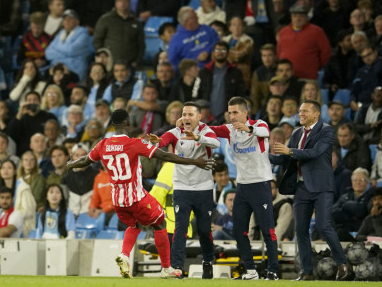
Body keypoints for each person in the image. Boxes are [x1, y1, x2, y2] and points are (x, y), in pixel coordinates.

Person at [63, 108, 215, 278]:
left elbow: (85, 160)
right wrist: (195, 161)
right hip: (136, 197)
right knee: (160, 223)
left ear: (112, 125)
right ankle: (166, 268)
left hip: (118, 201)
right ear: (128, 123)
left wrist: (70, 164)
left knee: (134, 225)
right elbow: (165, 156)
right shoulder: (134, 143)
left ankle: (124, 255)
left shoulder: (102, 145)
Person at [270, 100, 353, 281]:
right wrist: (262, 157)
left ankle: (343, 264)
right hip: (301, 188)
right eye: (300, 111)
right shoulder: (296, 132)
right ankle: (306, 272)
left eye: (305, 111)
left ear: (316, 114)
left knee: (324, 226)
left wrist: (289, 151)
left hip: (321, 187)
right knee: (300, 230)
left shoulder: (327, 130)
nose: (301, 114)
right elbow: (285, 159)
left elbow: (314, 153)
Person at [145, 101, 219, 279]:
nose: (186, 117)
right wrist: (158, 142)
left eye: (190, 115)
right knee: (180, 228)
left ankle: (208, 261)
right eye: (184, 114)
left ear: (199, 117)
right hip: (182, 186)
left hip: (203, 188)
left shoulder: (206, 131)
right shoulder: (176, 132)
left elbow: (215, 143)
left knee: (203, 229)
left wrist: (197, 138)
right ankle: (176, 267)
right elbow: (164, 140)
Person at [210, 97, 279, 280]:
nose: (231, 116)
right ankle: (250, 271)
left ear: (245, 113)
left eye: (235, 112)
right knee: (239, 230)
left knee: (267, 230)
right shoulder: (229, 130)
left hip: (261, 185)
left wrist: (248, 129)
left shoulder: (259, 124)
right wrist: (191, 123)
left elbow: (265, 132)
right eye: (229, 113)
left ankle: (273, 271)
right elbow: (210, 129)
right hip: (242, 187)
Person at [0, 159, 36, 237]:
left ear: (15, 171)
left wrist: (10, 217)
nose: (6, 170)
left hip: (21, 226)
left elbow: (28, 211)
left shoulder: (23, 188)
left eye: (9, 168)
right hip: (2, 223)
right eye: (3, 168)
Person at [331, 168, 372, 239]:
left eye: (361, 180)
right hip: (345, 230)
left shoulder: (371, 196)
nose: (358, 182)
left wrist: (345, 206)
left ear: (367, 182)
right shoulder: (345, 196)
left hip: (362, 233)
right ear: (351, 182)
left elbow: (361, 211)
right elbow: (332, 212)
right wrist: (350, 215)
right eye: (355, 180)